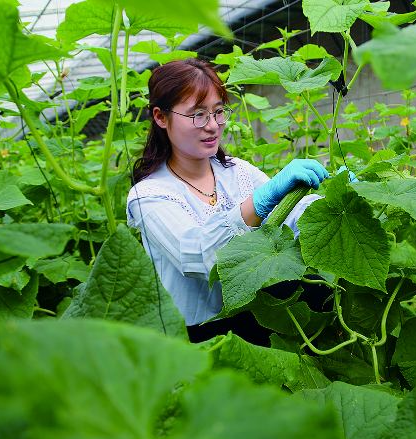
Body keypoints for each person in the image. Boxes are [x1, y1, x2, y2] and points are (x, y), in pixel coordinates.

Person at [126, 59, 331, 346]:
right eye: (197, 114)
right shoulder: (148, 195)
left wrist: (331, 201)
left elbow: (294, 217)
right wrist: (257, 204)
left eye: (219, 111)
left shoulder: (238, 171)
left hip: (256, 311)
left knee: (323, 292)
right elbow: (197, 257)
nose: (212, 126)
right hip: (197, 334)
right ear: (161, 117)